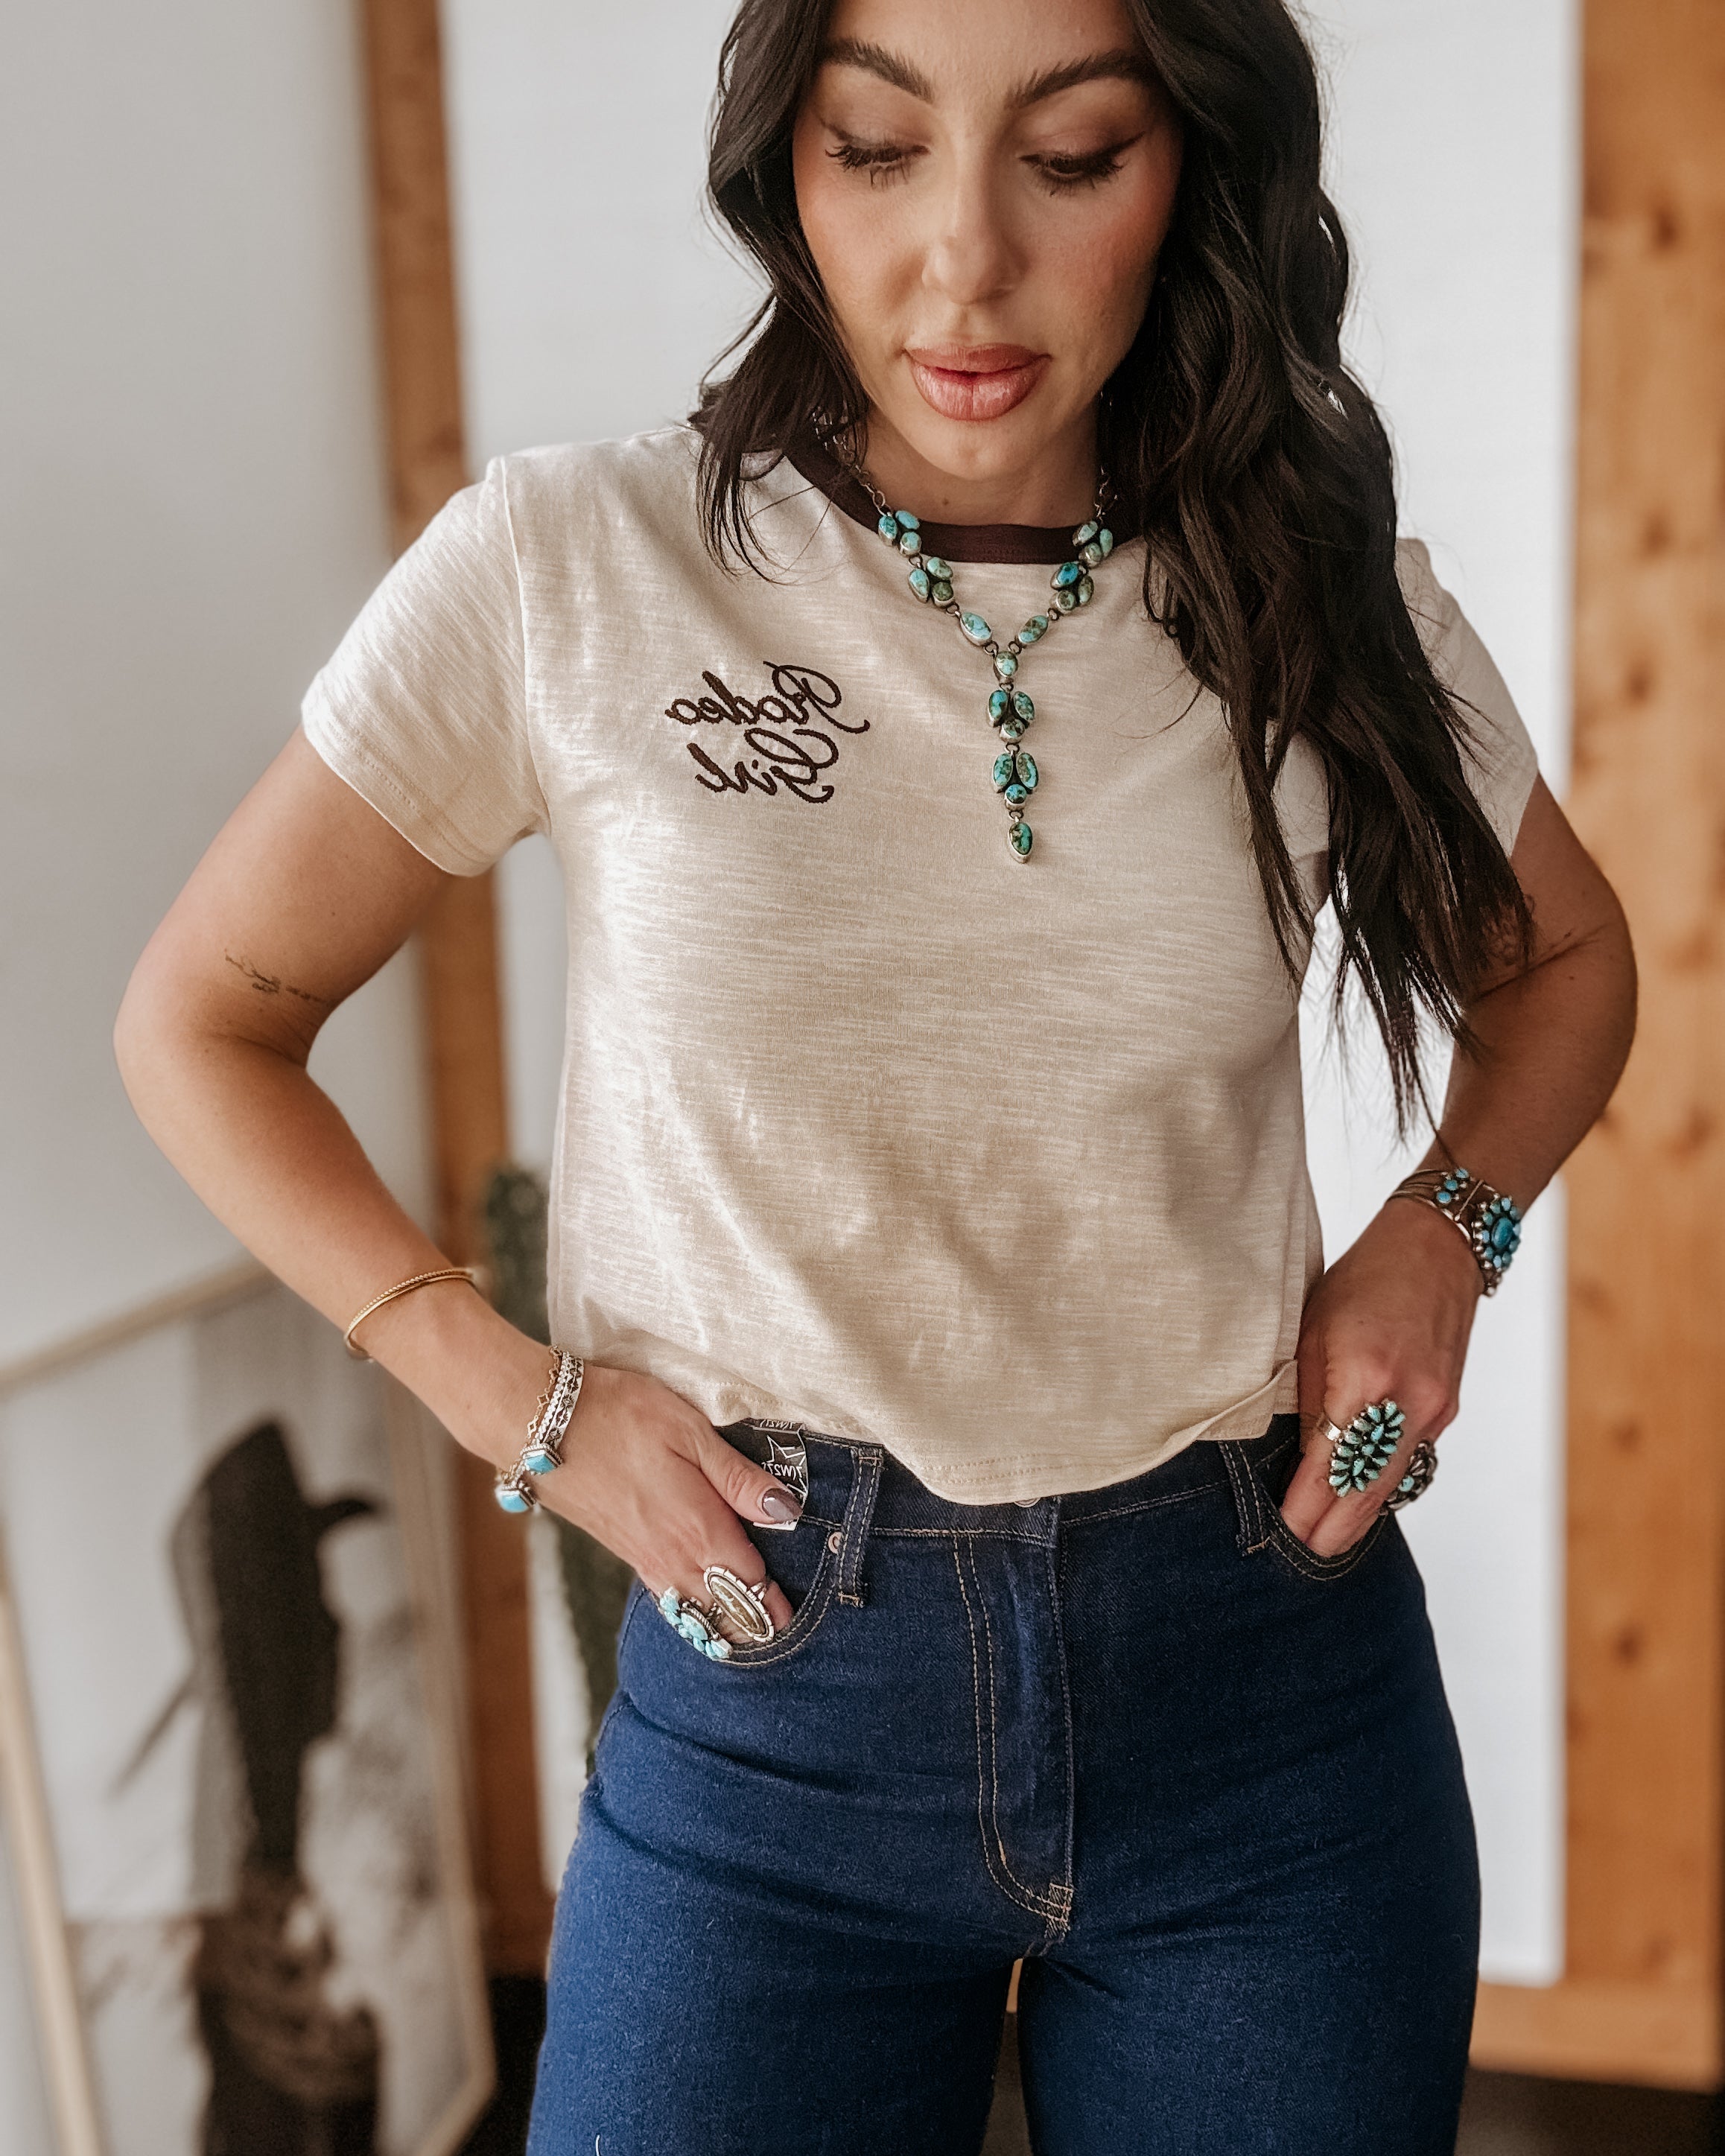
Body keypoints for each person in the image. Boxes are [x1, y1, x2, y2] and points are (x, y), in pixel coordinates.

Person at [115, 0, 1636, 2147]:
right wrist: (506, 1396)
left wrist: (1444, 1233)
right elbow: (203, 1020)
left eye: (1072, 157)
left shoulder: (1311, 593)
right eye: (877, 150)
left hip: (1261, 1706)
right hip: (770, 1724)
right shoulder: (572, 565)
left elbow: (1562, 963)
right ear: (785, 172)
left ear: (1188, 170)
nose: (962, 265)